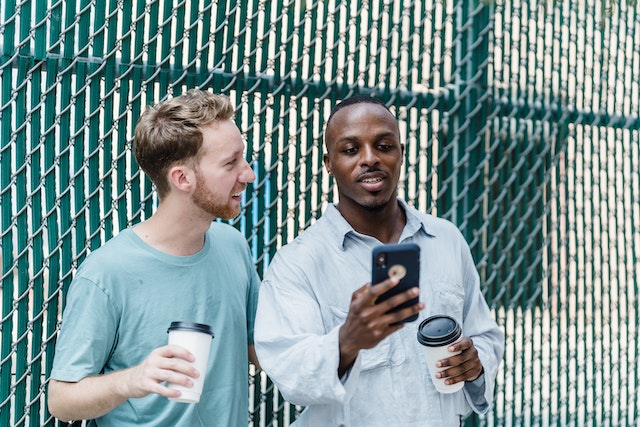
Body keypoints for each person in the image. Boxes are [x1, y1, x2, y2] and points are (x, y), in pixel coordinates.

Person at [254, 96, 504, 426]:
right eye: (350, 149)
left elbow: (484, 334)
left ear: (400, 152)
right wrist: (347, 341)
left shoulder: (446, 240)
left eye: (384, 145)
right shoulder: (298, 263)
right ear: (329, 163)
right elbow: (290, 373)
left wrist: (475, 363)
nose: (370, 159)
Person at [48, 89, 260, 426]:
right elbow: (61, 400)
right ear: (182, 178)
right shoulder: (107, 273)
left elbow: (260, 350)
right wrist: (132, 380)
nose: (248, 174)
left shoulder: (233, 246)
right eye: (230, 163)